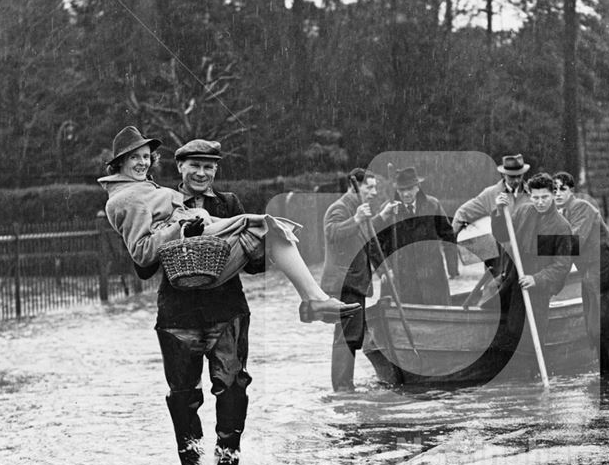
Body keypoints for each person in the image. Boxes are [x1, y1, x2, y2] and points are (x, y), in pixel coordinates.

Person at [101, 126, 356, 324]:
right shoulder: (125, 198)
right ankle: (313, 300)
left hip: (224, 302)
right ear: (120, 162)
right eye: (135, 157)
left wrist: (251, 239)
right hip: (183, 294)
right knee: (271, 228)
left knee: (272, 228)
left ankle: (314, 299)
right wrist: (182, 224)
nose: (143, 162)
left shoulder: (143, 187)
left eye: (146, 156)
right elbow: (142, 254)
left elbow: (255, 267)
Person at [321, 168, 395, 392]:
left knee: (353, 334)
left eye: (375, 188)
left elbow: (369, 242)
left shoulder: (360, 209)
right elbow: (332, 233)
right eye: (369, 187)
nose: (373, 192)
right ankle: (343, 388)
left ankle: (347, 384)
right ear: (355, 187)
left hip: (357, 283)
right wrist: (356, 219)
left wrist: (383, 269)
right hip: (343, 284)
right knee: (345, 336)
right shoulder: (340, 208)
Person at [554, 175, 609, 377]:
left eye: (562, 189)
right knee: (595, 330)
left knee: (607, 331)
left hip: (604, 275)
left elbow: (573, 242)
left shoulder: (581, 207)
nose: (557, 194)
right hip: (591, 276)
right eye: (553, 190)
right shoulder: (563, 213)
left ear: (571, 190)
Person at [490, 172, 573, 348]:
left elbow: (562, 266)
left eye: (545, 197)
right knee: (510, 331)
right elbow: (502, 234)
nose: (540, 202)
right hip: (514, 282)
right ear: (530, 195)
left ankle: (532, 373)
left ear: (553, 194)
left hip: (538, 292)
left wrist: (536, 279)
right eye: (535, 198)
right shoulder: (523, 212)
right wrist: (498, 211)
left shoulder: (563, 227)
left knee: (531, 337)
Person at [380, 166, 456, 306]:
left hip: (433, 275)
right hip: (404, 279)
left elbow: (448, 236)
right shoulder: (389, 210)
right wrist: (385, 269)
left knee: (438, 316)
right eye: (402, 190)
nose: (406, 194)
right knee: (409, 318)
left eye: (409, 189)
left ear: (417, 187)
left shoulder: (432, 205)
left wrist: (452, 267)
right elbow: (377, 243)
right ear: (397, 190)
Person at [452, 154, 533, 277]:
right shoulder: (490, 194)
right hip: (499, 260)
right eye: (511, 177)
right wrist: (452, 240)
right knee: (495, 293)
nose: (516, 180)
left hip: (526, 257)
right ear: (503, 175)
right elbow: (462, 213)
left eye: (519, 176)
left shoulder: (533, 194)